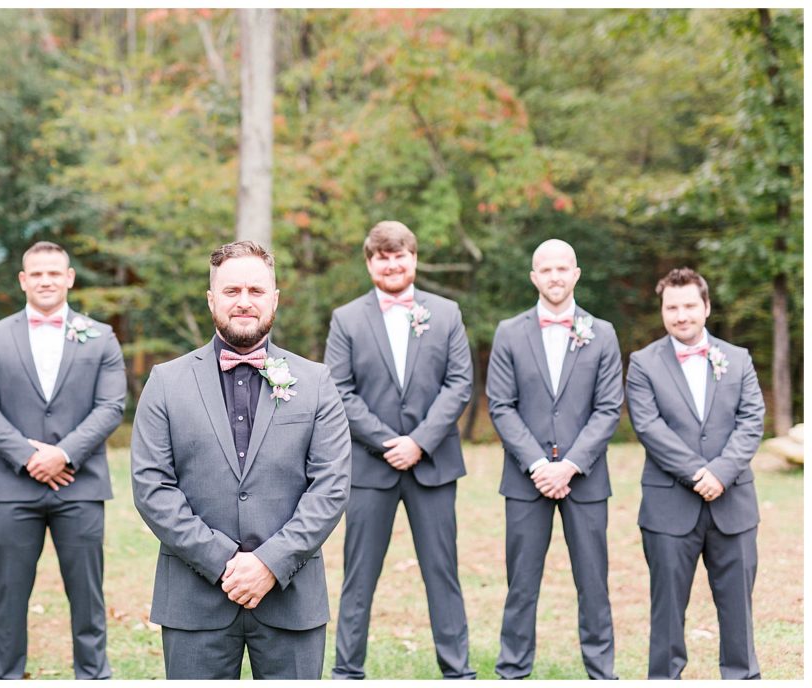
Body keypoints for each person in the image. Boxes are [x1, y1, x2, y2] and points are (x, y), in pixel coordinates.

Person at [131, 240, 351, 680]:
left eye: (256, 290)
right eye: (232, 291)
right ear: (212, 299)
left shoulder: (316, 382)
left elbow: (330, 486)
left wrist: (270, 563)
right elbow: (152, 488)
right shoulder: (166, 382)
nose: (244, 302)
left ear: (274, 299)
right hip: (194, 601)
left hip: (292, 598)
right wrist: (221, 561)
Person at [0, 241, 126, 679]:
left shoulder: (102, 336)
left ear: (69, 277)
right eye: (36, 273)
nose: (46, 281)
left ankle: (93, 675)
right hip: (12, 487)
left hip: (82, 485)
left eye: (54, 273)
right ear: (23, 280)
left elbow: (111, 406)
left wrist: (64, 454)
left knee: (88, 595)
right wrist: (26, 456)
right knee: (9, 594)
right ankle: (4, 674)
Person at [325, 220, 475, 680]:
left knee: (442, 573)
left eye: (400, 255)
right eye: (382, 257)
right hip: (371, 468)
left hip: (434, 466)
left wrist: (419, 442)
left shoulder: (446, 312)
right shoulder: (346, 319)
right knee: (359, 577)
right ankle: (348, 671)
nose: (392, 264)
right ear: (370, 263)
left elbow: (459, 383)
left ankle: (458, 672)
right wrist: (389, 442)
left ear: (414, 258)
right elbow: (339, 390)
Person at [486, 238, 622, 680]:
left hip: (585, 479)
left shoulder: (602, 333)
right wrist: (538, 465)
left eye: (563, 268)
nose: (555, 276)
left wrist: (570, 464)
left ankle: (602, 672)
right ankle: (512, 670)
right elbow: (501, 405)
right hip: (527, 481)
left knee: (594, 585)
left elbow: (608, 408)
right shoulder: (510, 332)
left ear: (576, 274)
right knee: (521, 586)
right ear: (534, 277)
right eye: (546, 269)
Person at [626, 267, 763, 679]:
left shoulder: (737, 359)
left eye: (689, 306)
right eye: (672, 307)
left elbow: (752, 419)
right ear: (663, 310)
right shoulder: (643, 363)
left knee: (738, 609)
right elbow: (649, 427)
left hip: (733, 505)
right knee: (666, 611)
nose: (681, 315)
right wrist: (696, 473)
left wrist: (720, 473)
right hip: (669, 507)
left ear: (706, 307)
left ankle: (742, 678)